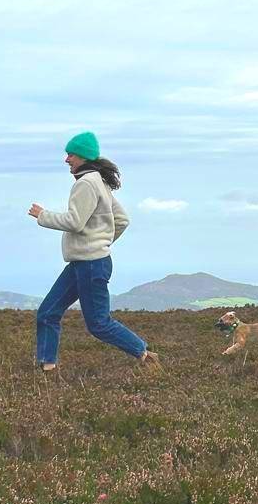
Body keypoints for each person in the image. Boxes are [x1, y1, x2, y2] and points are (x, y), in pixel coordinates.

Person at [28, 131, 160, 373]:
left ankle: (144, 353)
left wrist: (42, 215)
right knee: (48, 312)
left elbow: (75, 222)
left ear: (83, 156)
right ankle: (47, 368)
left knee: (99, 324)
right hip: (85, 263)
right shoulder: (98, 181)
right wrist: (102, 242)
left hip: (90, 264)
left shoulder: (86, 183)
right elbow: (122, 220)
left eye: (70, 154)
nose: (66, 159)